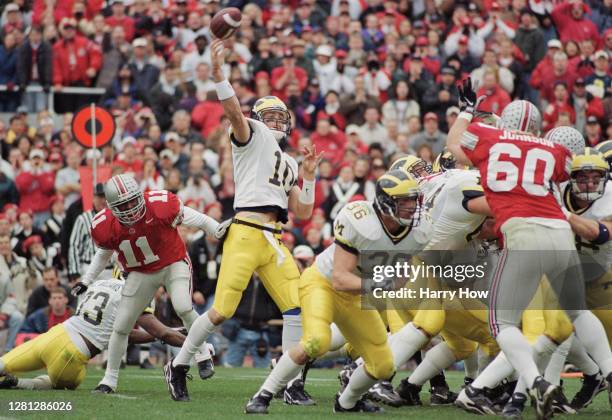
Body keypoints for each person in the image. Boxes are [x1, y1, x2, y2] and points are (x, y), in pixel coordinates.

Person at [163, 37, 322, 404]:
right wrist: (221, 77)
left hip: (274, 237)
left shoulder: (290, 161)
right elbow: (235, 113)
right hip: (247, 231)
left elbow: (302, 212)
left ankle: (288, 382)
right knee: (222, 311)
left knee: (296, 306)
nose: (275, 121)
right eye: (269, 116)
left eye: (281, 116)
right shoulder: (252, 135)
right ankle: (180, 364)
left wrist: (310, 175)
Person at [447, 79, 612, 420]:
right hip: (559, 230)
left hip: (522, 231)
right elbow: (567, 174)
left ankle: (535, 381)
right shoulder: (553, 151)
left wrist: (466, 112)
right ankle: (608, 371)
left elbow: (454, 147)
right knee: (576, 311)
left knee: (503, 323)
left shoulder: (491, 138)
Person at [244, 170, 430, 413]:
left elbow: (404, 270)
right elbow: (341, 278)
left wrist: (397, 280)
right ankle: (262, 396)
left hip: (356, 295)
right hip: (323, 283)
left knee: (383, 366)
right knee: (316, 342)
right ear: (386, 202)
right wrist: (380, 284)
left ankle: (347, 402)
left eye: (413, 200)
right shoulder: (361, 220)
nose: (411, 207)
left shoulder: (420, 230)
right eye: (404, 200)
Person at [71, 174, 222, 393]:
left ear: (139, 196)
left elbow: (197, 219)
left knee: (183, 306)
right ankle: (109, 380)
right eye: (124, 204)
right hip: (140, 272)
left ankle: (202, 354)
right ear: (112, 206)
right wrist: (86, 279)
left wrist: (218, 230)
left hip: (173, 263)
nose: (131, 208)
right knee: (122, 325)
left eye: (133, 200)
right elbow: (103, 253)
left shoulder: (159, 205)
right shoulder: (106, 225)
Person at [0, 278, 192, 391]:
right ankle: (20, 383)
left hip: (53, 335)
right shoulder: (134, 294)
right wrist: (195, 343)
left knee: (4, 363)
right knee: (69, 383)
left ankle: (10, 376)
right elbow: (157, 333)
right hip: (71, 354)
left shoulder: (101, 282)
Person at [68, 184, 111, 284]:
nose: (103, 200)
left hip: (110, 270)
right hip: (88, 268)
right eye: (100, 197)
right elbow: (74, 245)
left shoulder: (115, 217)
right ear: (94, 198)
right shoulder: (83, 218)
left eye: (106, 197)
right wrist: (74, 272)